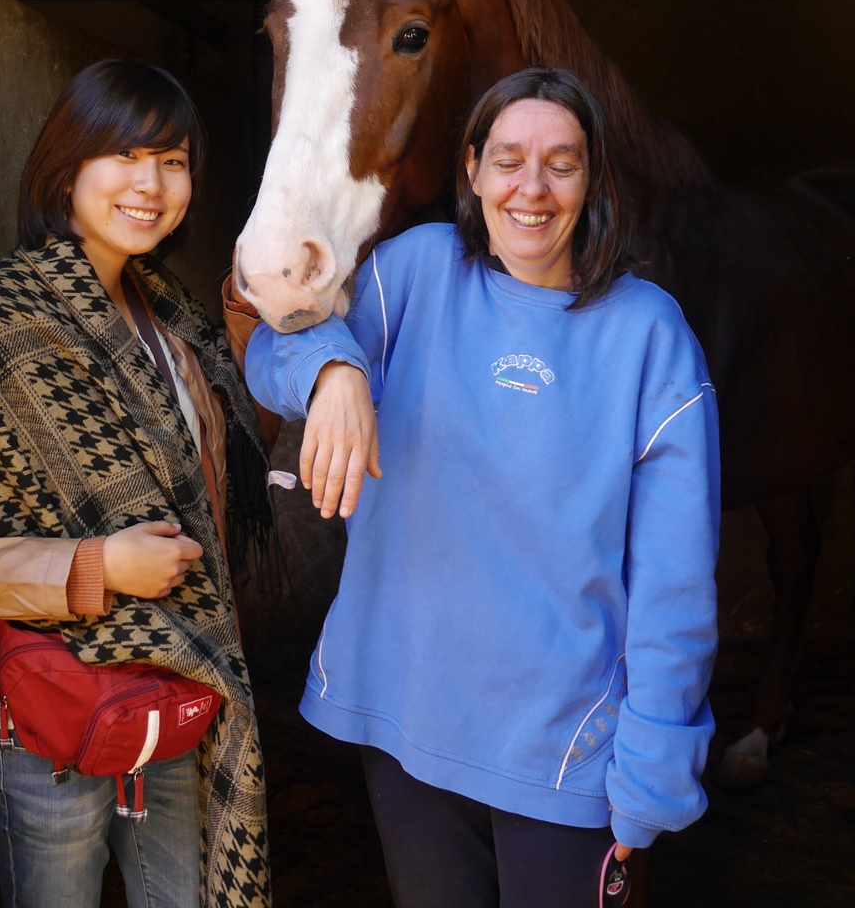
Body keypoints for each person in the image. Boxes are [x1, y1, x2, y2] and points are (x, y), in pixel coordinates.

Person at [240, 66, 721, 907]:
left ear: (592, 178)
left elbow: (675, 585)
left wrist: (650, 779)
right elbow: (273, 346)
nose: (531, 188)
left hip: (564, 751)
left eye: (561, 163)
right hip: (407, 724)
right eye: (507, 160)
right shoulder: (414, 274)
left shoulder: (649, 334)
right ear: (472, 171)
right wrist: (334, 371)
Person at [0, 60, 271, 908]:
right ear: (67, 170)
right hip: (47, 725)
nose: (151, 184)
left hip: (173, 698)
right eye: (125, 157)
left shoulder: (174, 323)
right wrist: (93, 568)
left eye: (173, 162)